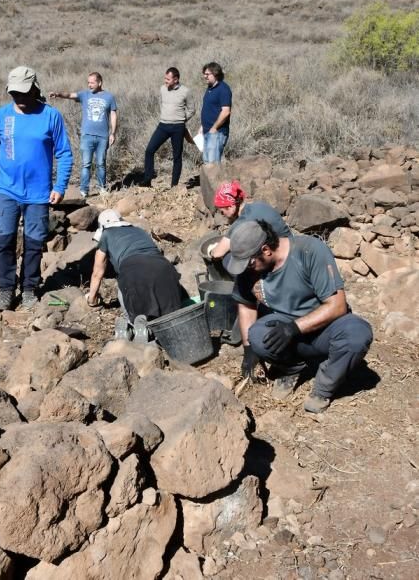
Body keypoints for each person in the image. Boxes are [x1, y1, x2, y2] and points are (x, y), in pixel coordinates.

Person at [228, 220, 373, 414]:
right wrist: (248, 350)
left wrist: (293, 328)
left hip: (325, 329)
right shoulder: (249, 267)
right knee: (256, 336)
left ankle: (323, 388)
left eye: (249, 263)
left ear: (266, 250)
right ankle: (291, 368)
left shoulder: (309, 251)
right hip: (287, 331)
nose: (246, 269)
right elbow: (246, 304)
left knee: (358, 333)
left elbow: (337, 306)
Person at [0, 66, 73, 311]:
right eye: (14, 93)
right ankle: (6, 290)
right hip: (7, 190)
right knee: (4, 240)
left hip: (39, 193)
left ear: (34, 88)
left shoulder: (51, 116)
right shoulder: (2, 116)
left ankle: (29, 288)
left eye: (23, 92)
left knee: (33, 242)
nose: (18, 97)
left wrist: (60, 186)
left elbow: (64, 153)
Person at [87, 209, 183, 340]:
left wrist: (92, 299)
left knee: (124, 285)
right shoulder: (139, 231)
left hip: (132, 269)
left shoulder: (106, 235)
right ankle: (159, 328)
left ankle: (133, 324)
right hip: (164, 267)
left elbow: (97, 273)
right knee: (167, 312)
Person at [50, 72, 117, 197]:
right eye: (88, 82)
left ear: (100, 82)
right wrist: (58, 94)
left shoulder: (109, 97)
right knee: (86, 164)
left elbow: (113, 115)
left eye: (92, 82)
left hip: (103, 136)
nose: (89, 85)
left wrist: (113, 133)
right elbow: (70, 95)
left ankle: (102, 188)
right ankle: (84, 190)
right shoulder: (84, 95)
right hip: (87, 136)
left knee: (101, 163)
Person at [207, 180, 292, 261]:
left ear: (230, 207)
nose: (223, 215)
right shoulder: (259, 205)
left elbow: (217, 253)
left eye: (222, 211)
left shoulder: (242, 223)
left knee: (229, 259)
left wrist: (211, 251)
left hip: (283, 258)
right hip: (291, 244)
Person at [143, 67, 195, 187]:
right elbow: (162, 103)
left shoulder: (185, 91)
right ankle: (147, 180)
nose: (165, 81)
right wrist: (166, 115)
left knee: (177, 156)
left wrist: (181, 118)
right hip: (163, 125)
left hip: (178, 127)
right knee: (149, 150)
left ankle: (174, 185)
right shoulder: (162, 89)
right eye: (165, 78)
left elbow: (192, 109)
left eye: (168, 79)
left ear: (176, 79)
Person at [199, 62, 232, 164]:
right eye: (204, 74)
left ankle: (217, 181)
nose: (205, 76)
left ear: (216, 74)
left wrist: (214, 128)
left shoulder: (223, 89)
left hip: (217, 133)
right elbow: (209, 109)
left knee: (213, 165)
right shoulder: (209, 88)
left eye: (207, 74)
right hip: (206, 131)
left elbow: (226, 112)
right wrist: (202, 126)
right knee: (207, 162)